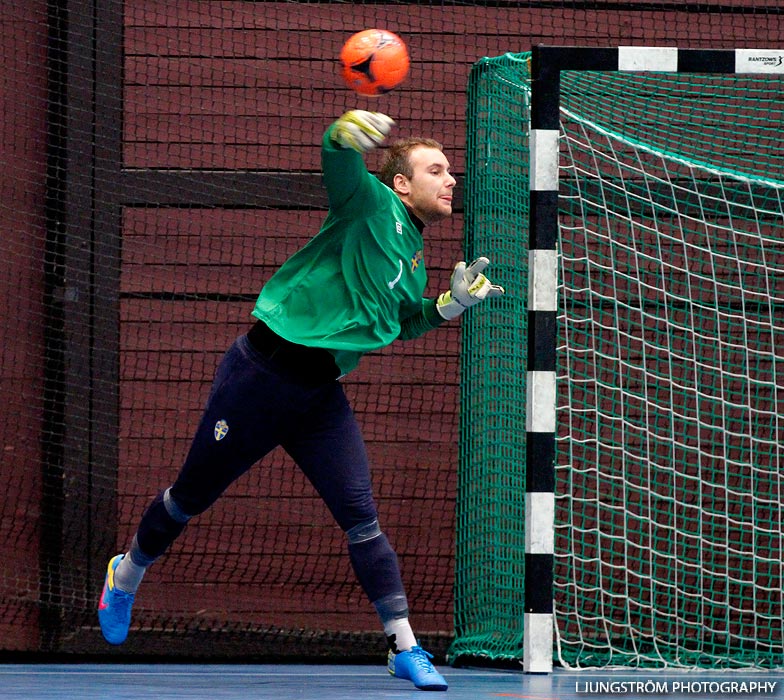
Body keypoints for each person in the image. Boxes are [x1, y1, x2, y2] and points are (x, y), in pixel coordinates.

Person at [97, 110, 504, 691]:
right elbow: (339, 165)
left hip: (317, 396)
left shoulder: (414, 256)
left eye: (451, 172)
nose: (450, 180)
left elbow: (400, 321)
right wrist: (341, 135)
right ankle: (128, 574)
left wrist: (449, 305)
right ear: (400, 184)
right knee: (188, 498)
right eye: (435, 170)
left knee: (361, 517)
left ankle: (405, 647)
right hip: (258, 378)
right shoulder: (368, 206)